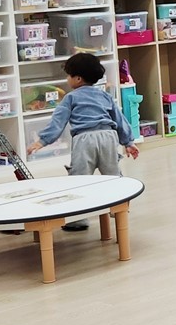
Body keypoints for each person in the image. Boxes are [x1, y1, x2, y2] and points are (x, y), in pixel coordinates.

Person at [27, 53, 139, 231]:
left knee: (79, 179)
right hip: (108, 136)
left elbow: (58, 122)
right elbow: (119, 119)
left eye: (69, 75)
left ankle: (77, 220)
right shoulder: (104, 96)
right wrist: (129, 142)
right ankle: (119, 209)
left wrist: (42, 141)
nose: (67, 79)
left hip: (84, 139)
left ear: (78, 78)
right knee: (113, 175)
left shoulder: (70, 98)